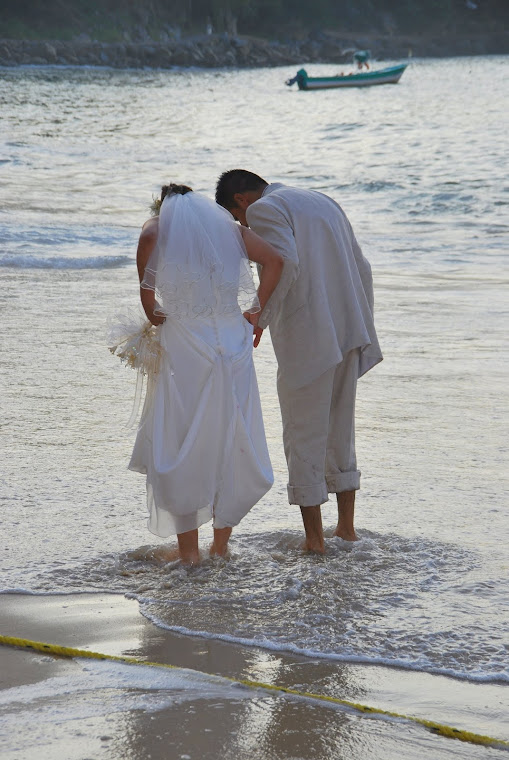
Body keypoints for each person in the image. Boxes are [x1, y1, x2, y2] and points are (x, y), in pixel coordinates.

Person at [215, 171, 382, 553]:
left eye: (238, 219)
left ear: (241, 200)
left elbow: (284, 263)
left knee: (303, 432)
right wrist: (364, 325)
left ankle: (315, 540)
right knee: (341, 429)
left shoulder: (263, 210)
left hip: (309, 333)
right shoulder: (322, 199)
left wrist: (260, 315)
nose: (244, 227)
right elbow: (363, 267)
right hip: (349, 326)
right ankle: (347, 530)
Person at [129, 183, 284, 564]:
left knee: (183, 442)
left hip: (186, 347)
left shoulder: (153, 232)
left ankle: (189, 556)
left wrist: (162, 317)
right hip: (234, 341)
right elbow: (276, 261)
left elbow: (151, 308)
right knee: (230, 437)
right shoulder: (231, 231)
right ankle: (220, 548)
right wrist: (255, 310)